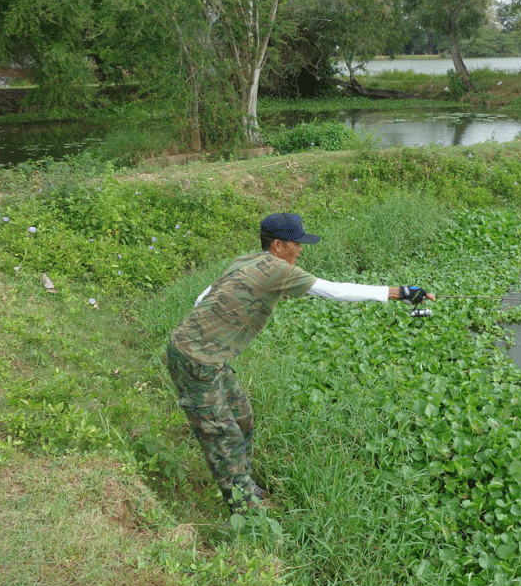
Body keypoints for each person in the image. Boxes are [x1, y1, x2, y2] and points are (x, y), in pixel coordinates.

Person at [164, 212, 434, 514]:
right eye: (296, 244)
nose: (301, 249)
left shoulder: (247, 260)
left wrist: (206, 330)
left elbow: (204, 297)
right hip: (195, 360)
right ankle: (246, 512)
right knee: (221, 434)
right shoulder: (278, 270)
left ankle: (244, 481)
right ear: (278, 245)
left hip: (210, 357)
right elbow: (336, 291)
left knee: (242, 418)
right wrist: (401, 293)